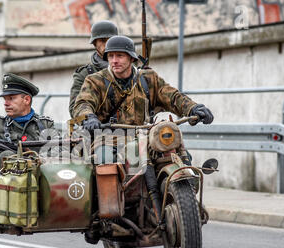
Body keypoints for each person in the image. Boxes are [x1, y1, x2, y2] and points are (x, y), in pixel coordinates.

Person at [72, 36, 214, 164]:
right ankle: (107, 193)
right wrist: (89, 117)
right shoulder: (95, 81)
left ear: (131, 58)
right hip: (108, 138)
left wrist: (193, 108)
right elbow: (83, 103)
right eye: (111, 56)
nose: (114, 61)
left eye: (120, 56)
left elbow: (172, 96)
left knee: (182, 159)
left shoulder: (148, 78)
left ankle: (180, 188)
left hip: (146, 136)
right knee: (105, 161)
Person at [69, 20, 118, 118]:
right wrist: (89, 117)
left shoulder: (131, 70)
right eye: (103, 41)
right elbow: (75, 107)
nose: (107, 44)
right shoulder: (85, 73)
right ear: (95, 43)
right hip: (99, 128)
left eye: (111, 40)